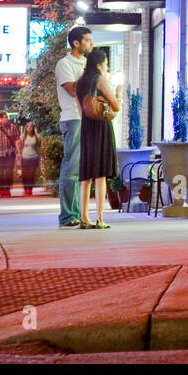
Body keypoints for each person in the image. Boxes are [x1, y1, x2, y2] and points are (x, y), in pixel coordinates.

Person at [76, 48, 120, 229]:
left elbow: (81, 110)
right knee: (100, 175)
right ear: (99, 64)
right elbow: (116, 107)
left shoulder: (79, 83)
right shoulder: (100, 80)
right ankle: (100, 218)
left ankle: (84, 218)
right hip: (102, 128)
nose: (106, 67)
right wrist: (119, 93)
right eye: (106, 64)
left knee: (86, 175)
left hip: (86, 128)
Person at [54, 25, 93, 228]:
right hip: (72, 119)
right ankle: (68, 216)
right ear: (76, 43)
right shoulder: (64, 64)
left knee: (82, 168)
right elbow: (72, 90)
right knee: (71, 167)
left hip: (88, 119)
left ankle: (80, 214)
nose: (91, 43)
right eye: (87, 40)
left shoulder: (88, 64)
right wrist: (91, 76)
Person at [0, 111, 19, 197]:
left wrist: (18, 152)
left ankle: (7, 189)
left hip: (10, 153)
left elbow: (17, 139)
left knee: (9, 172)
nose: (6, 119)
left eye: (6, 117)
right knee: (0, 173)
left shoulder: (12, 127)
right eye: (4, 117)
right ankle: (2, 190)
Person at [19, 121, 41, 195]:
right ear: (26, 128)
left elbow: (39, 147)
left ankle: (30, 189)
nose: (29, 128)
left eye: (31, 126)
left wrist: (39, 157)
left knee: (31, 174)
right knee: (25, 174)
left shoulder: (37, 136)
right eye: (28, 127)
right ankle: (25, 188)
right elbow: (20, 147)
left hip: (34, 157)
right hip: (25, 157)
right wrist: (19, 156)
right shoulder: (23, 136)